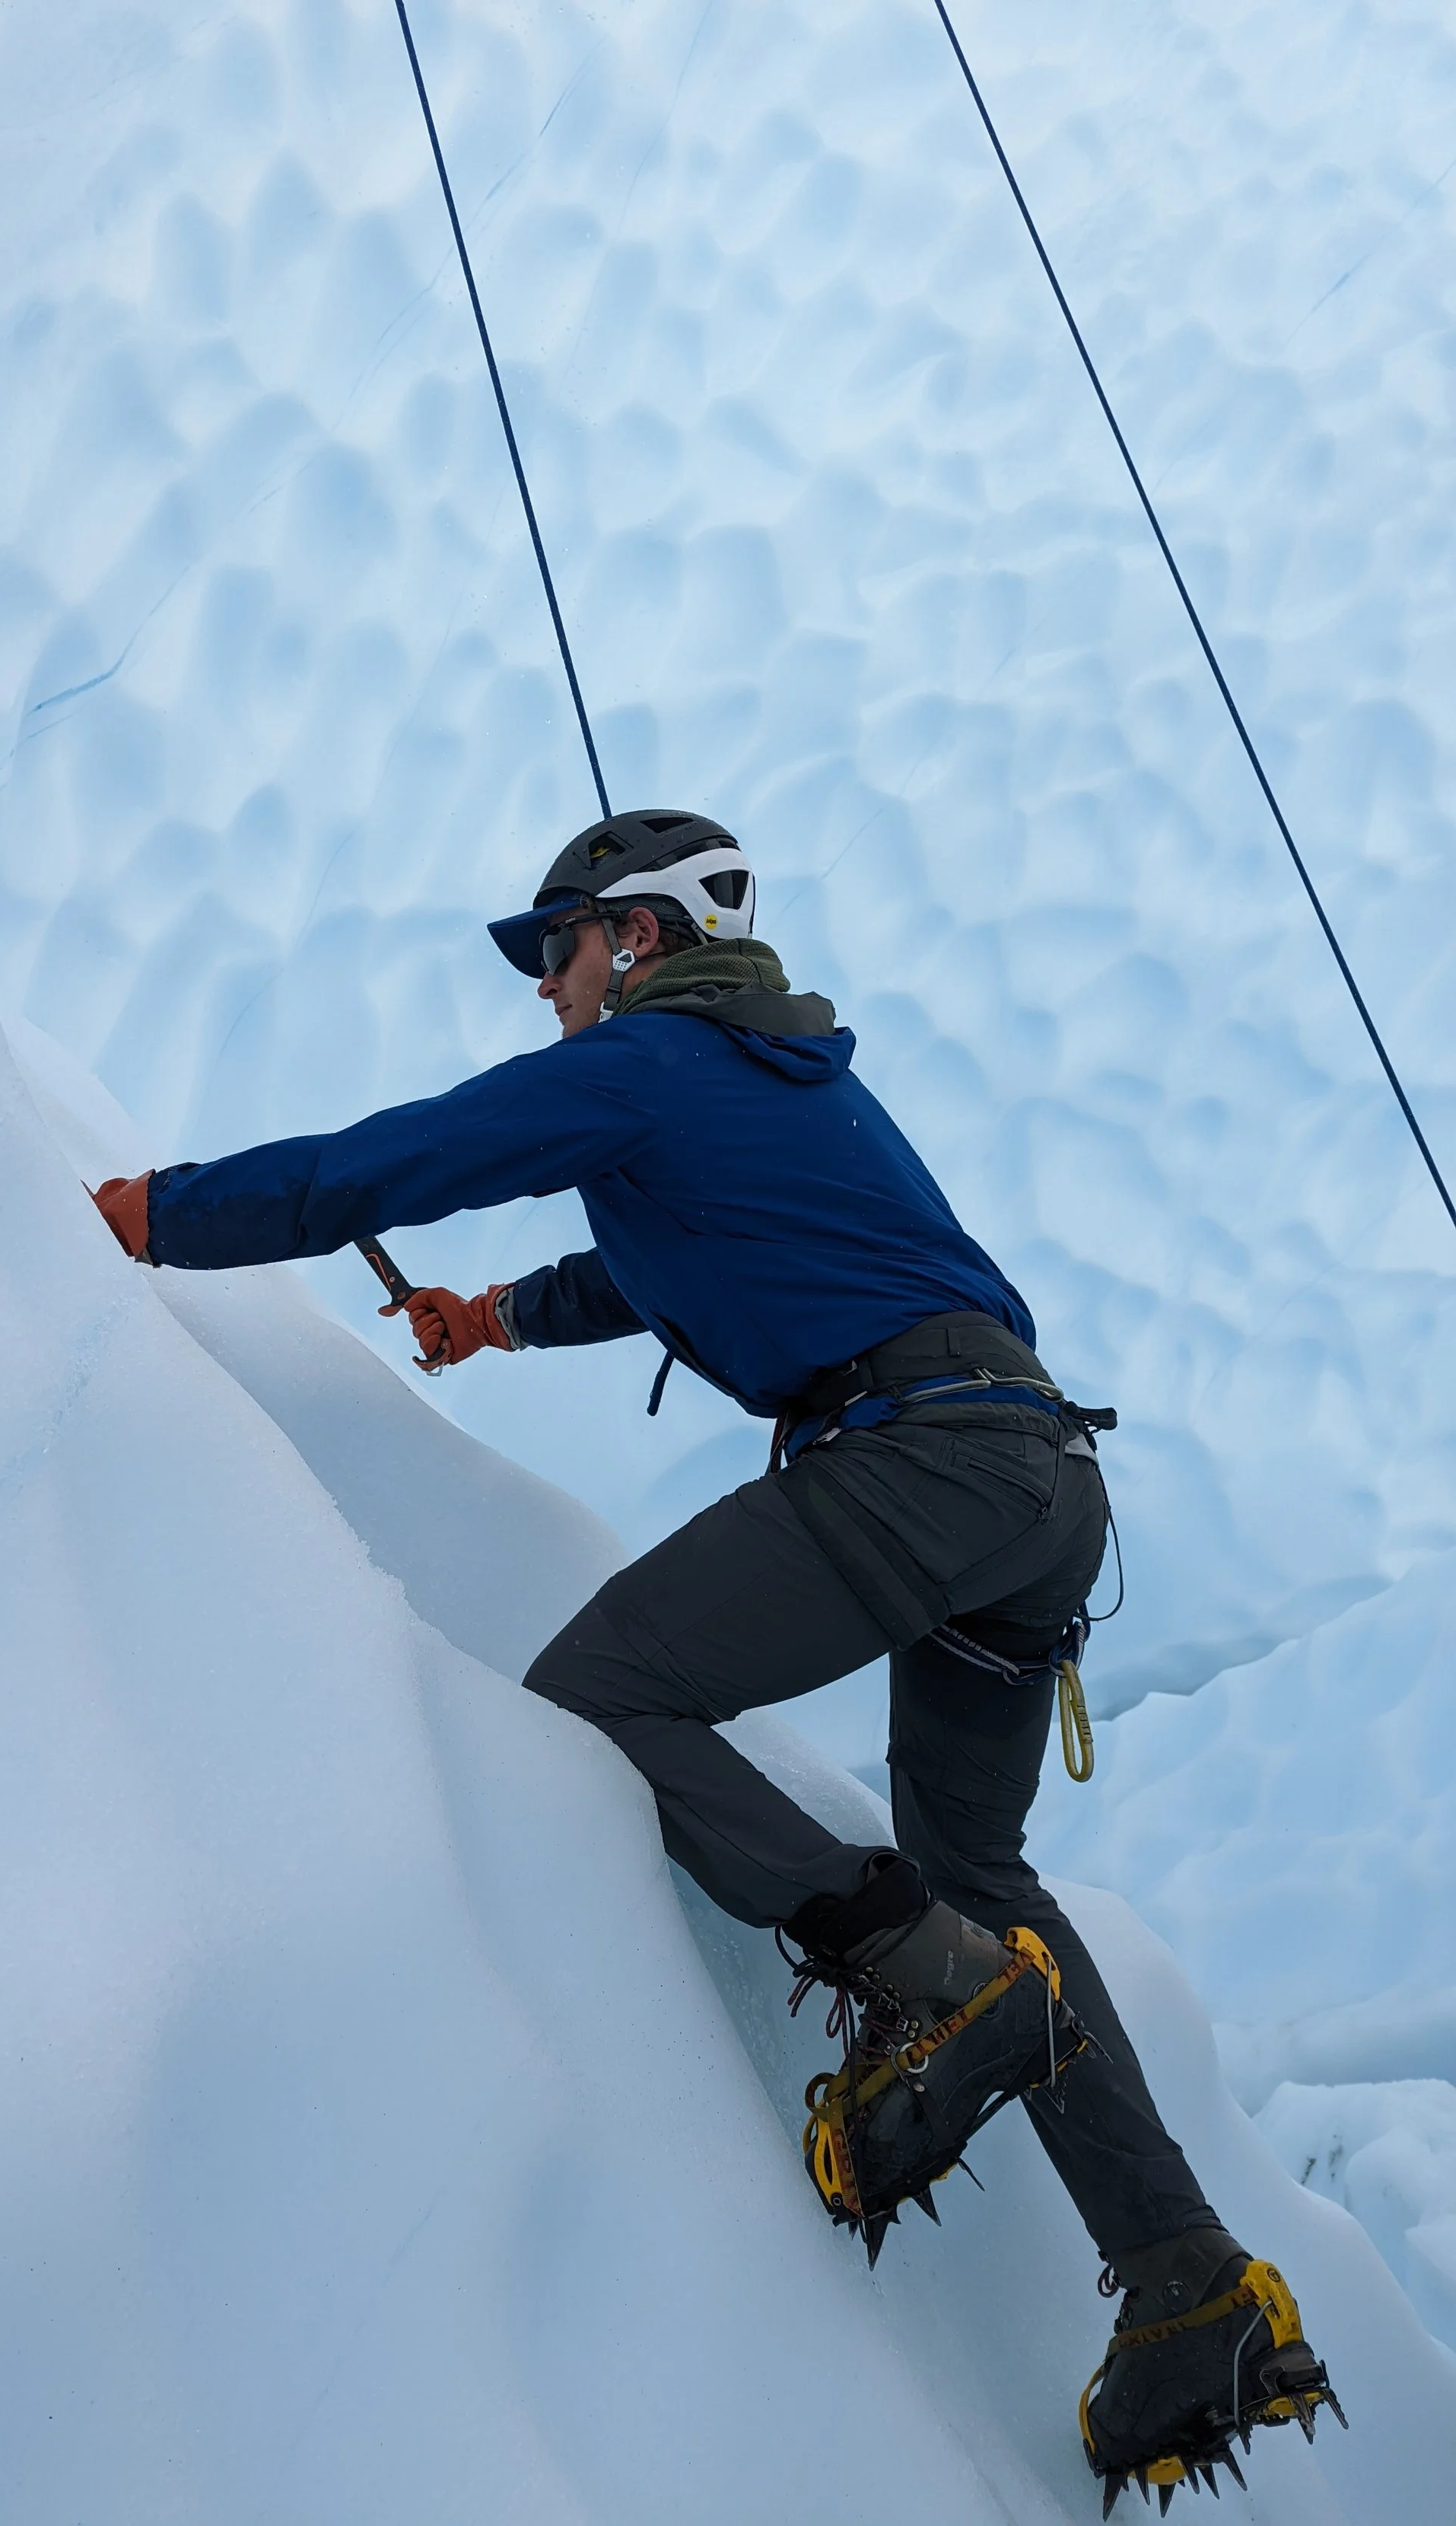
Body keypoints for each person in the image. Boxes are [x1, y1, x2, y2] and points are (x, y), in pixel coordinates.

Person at [90, 810, 1339, 2509]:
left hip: (911, 1455)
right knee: (983, 1863)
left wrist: (157, 1217)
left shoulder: (647, 1063)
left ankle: (931, 1980)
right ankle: (1187, 2283)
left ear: (641, 939)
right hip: (1035, 1481)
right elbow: (656, 1260)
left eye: (556, 948)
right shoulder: (783, 1081)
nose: (546, 988)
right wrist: (496, 1317)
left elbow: (389, 1159)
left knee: (603, 1691)